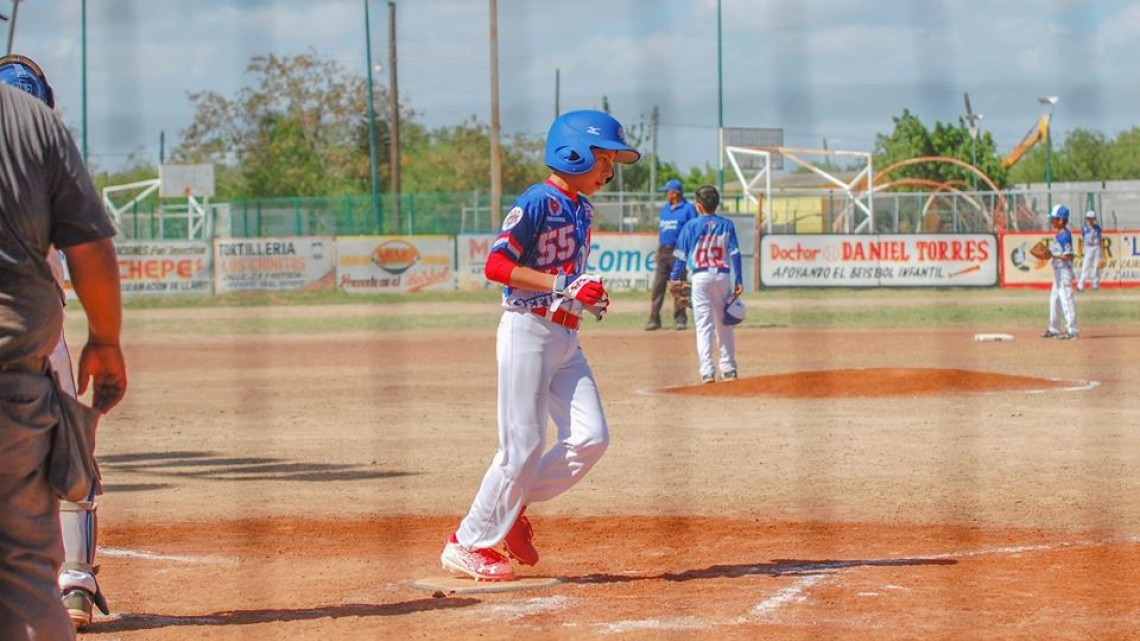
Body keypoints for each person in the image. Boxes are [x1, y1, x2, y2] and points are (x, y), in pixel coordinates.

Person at [440, 110, 639, 581]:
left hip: (566, 335)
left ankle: (510, 508)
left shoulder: (584, 209)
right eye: (604, 158)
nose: (610, 170)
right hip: (526, 330)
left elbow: (565, 280)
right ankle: (466, 543)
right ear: (573, 152)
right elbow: (495, 266)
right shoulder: (537, 202)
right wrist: (565, 284)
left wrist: (583, 293)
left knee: (591, 437)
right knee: (522, 445)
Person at [0, 52, 127, 641]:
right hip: (28, 338)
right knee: (63, 454)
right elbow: (91, 247)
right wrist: (106, 338)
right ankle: (74, 577)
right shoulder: (37, 136)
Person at [668, 185, 744, 383]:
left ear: (699, 206)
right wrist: (740, 280)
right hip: (722, 276)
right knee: (724, 324)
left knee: (704, 326)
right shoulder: (727, 225)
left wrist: (674, 278)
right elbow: (735, 253)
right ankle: (728, 369)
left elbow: (681, 257)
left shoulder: (691, 226)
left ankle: (707, 371)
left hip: (700, 278)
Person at [645, 178, 696, 331]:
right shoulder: (665, 209)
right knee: (658, 286)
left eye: (668, 192)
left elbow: (693, 230)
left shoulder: (688, 208)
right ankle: (654, 319)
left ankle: (680, 319)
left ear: (676, 193)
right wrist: (658, 249)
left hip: (679, 251)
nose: (666, 194)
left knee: (678, 286)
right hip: (664, 251)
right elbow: (662, 231)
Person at [1041, 204, 1078, 340]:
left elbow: (1069, 256)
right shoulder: (1059, 235)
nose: (1052, 221)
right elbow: (1056, 253)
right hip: (1057, 271)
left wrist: (1052, 256)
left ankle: (1072, 330)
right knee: (1054, 299)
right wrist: (1047, 254)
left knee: (1066, 299)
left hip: (1064, 271)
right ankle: (1054, 328)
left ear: (1061, 220)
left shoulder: (1065, 236)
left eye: (1054, 219)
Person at [1077, 209, 1104, 291]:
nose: (1090, 220)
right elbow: (1081, 240)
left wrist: (1102, 251)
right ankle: (1081, 285)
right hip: (1088, 247)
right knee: (1085, 266)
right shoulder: (1084, 228)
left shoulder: (1097, 228)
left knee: (1096, 266)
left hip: (1096, 247)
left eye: (1092, 218)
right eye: (1089, 218)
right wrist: (1080, 250)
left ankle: (1095, 284)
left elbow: (1100, 239)